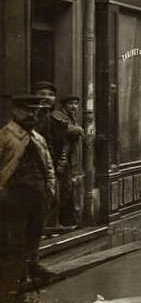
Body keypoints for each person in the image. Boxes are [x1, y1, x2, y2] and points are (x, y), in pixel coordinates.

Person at [0, 94, 56, 303]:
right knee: (11, 255)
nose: (32, 115)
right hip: (12, 205)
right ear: (14, 111)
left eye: (35, 111)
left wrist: (50, 191)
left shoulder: (38, 138)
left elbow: (49, 167)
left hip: (37, 203)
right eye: (27, 111)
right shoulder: (5, 137)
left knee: (29, 255)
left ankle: (21, 302)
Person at [32, 81, 68, 233]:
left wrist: (61, 162)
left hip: (53, 163)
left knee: (55, 195)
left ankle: (52, 224)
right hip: (36, 165)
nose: (47, 97)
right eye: (42, 94)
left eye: (51, 95)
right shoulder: (31, 117)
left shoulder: (57, 119)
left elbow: (63, 143)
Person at [52, 94, 84, 227]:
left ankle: (66, 220)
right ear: (64, 105)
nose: (74, 107)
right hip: (61, 158)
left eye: (76, 104)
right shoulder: (58, 116)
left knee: (68, 190)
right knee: (60, 191)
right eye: (71, 104)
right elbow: (70, 130)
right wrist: (79, 129)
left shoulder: (72, 118)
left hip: (70, 160)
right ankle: (56, 221)